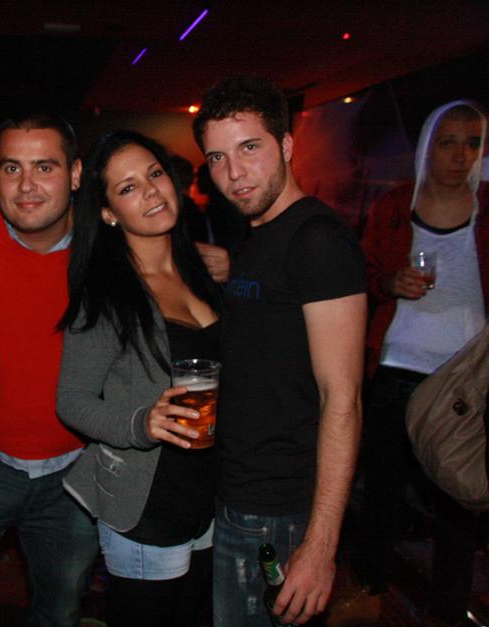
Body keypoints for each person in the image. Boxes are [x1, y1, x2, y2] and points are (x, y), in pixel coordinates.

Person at [192, 76, 367, 626]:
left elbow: (343, 399)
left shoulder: (318, 240)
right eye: (217, 158)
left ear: (286, 145)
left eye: (250, 148)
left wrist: (320, 544)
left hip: (282, 508)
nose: (234, 173)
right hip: (241, 491)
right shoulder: (256, 236)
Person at [56, 130, 223, 626]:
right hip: (148, 504)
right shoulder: (108, 293)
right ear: (109, 213)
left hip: (208, 496)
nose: (151, 191)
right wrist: (141, 423)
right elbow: (72, 400)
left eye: (154, 174)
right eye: (128, 188)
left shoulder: (200, 272)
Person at [0, 113, 100, 627]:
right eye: (11, 168)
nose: (26, 185)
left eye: (44, 167)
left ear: (75, 174)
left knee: (59, 612)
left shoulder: (108, 243)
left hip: (77, 472)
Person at [355, 100, 488, 623]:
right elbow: (365, 273)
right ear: (428, 147)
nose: (460, 155)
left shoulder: (486, 207)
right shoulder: (394, 205)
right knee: (381, 493)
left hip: (463, 377)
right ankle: (367, 593)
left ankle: (447, 610)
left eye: (472, 143)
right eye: (447, 142)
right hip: (397, 364)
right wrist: (389, 282)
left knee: (458, 500)